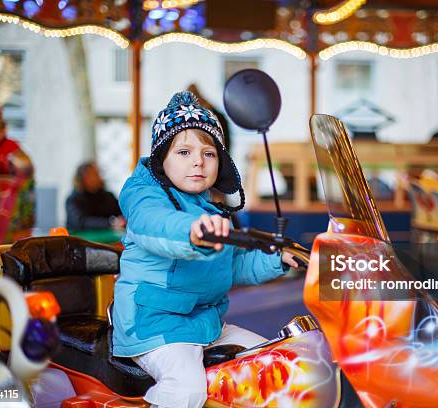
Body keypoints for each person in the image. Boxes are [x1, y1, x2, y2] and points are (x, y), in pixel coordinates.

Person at [112, 91, 298, 408]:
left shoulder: (212, 210)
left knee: (277, 362)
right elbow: (153, 224)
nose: (198, 160)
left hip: (205, 323)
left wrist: (277, 258)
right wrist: (192, 232)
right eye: (184, 152)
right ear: (162, 159)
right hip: (154, 324)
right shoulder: (144, 194)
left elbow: (234, 266)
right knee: (187, 389)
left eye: (208, 153)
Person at [65, 162, 125, 231]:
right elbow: (80, 222)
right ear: (82, 178)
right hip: (79, 239)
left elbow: (121, 211)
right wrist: (111, 223)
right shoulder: (73, 200)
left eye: (97, 173)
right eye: (92, 174)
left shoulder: (107, 196)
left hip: (106, 239)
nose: (98, 176)